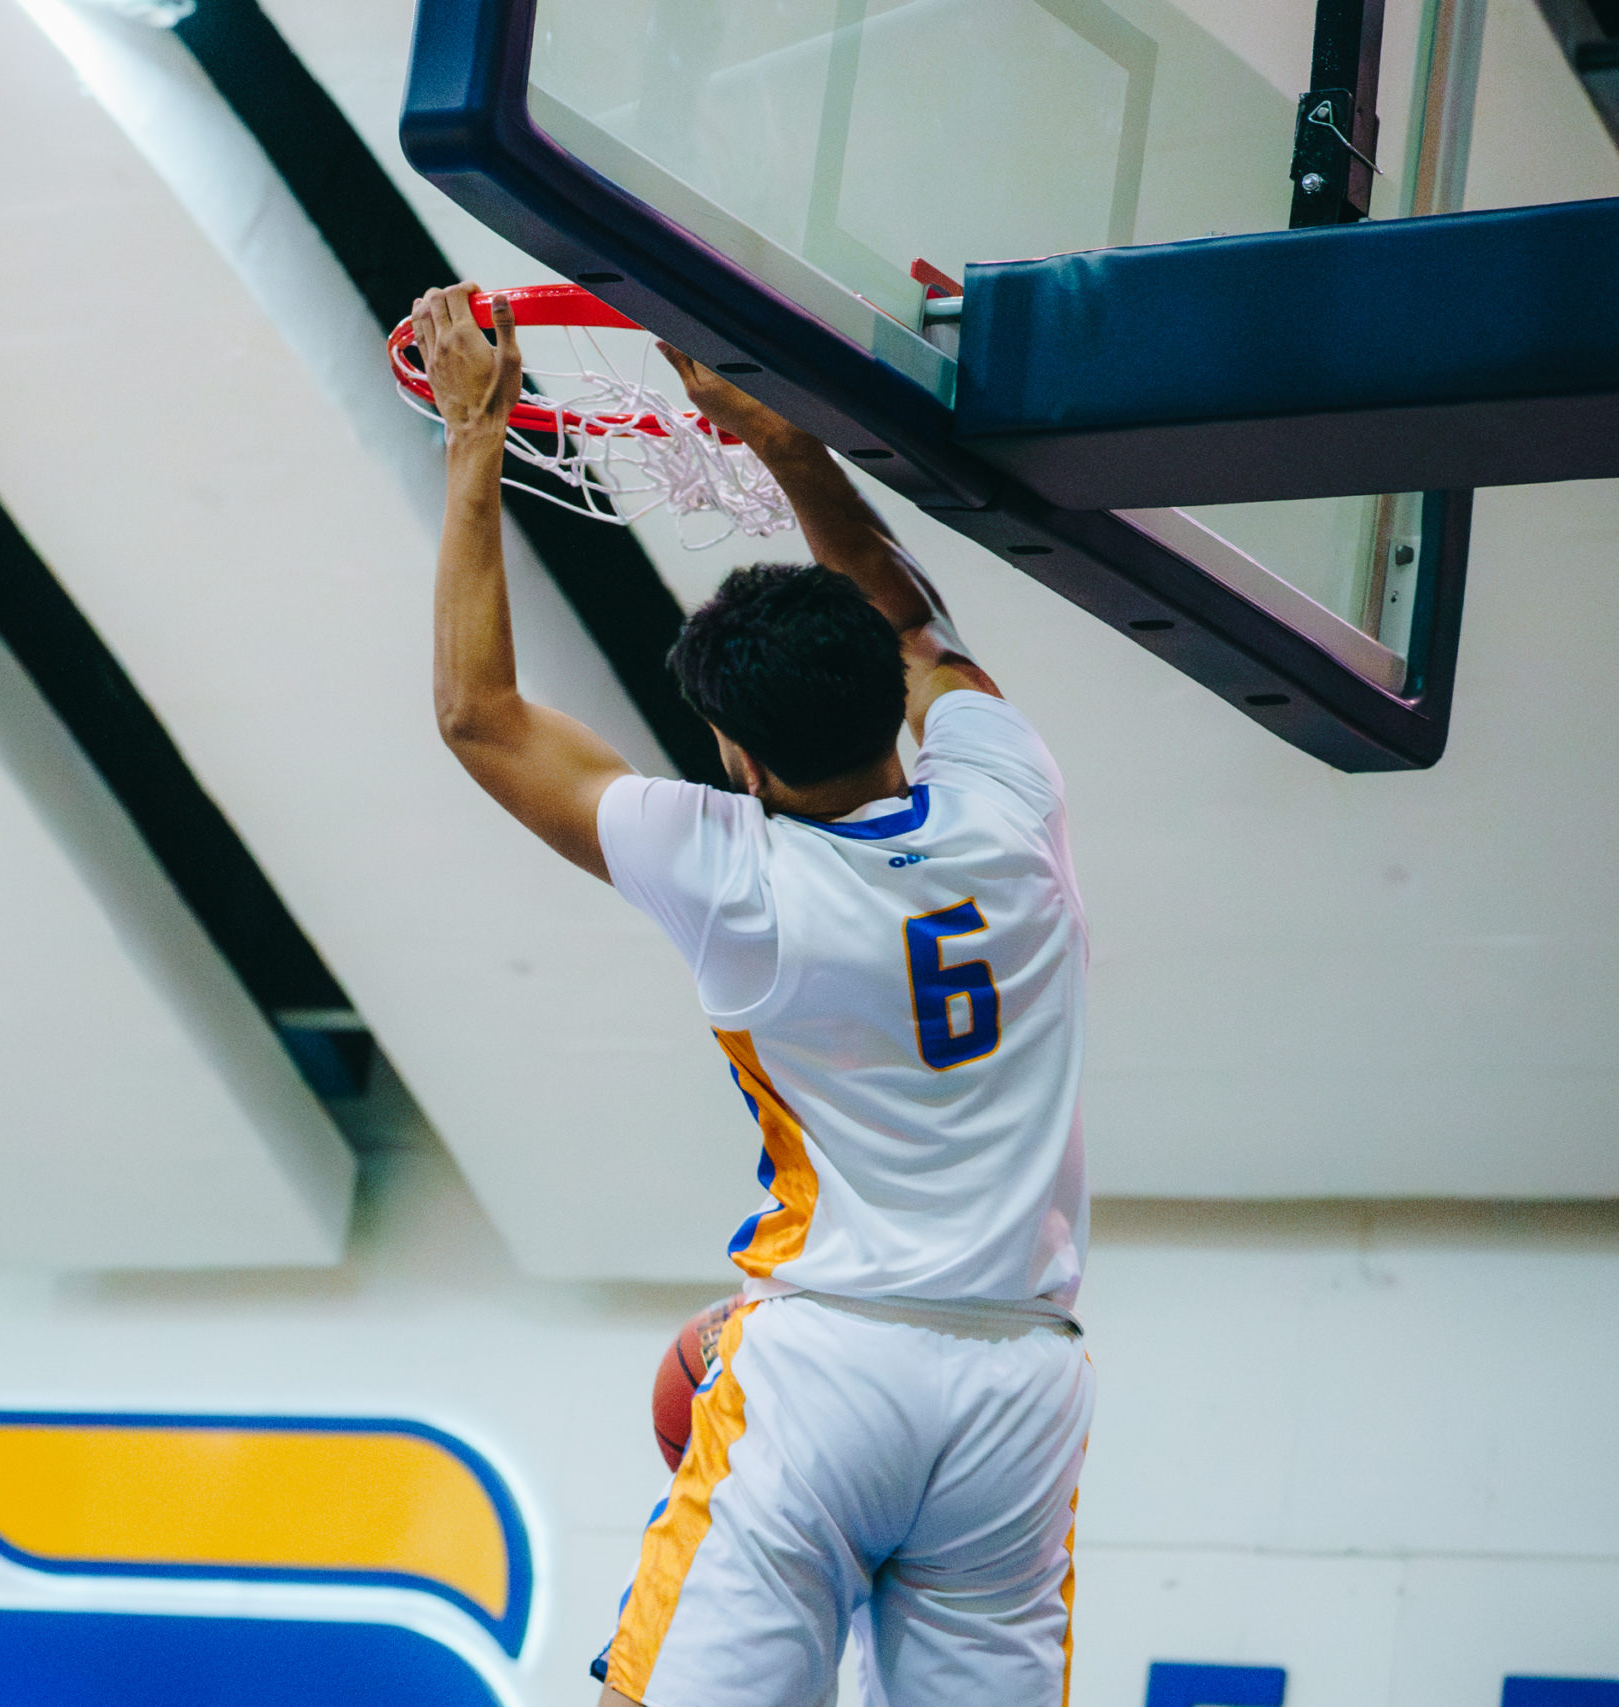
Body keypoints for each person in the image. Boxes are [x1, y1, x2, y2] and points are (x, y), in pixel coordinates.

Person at [413, 281, 1092, 1707]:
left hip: (836, 1365)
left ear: (742, 763)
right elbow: (913, 623)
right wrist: (790, 451)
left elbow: (481, 715)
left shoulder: (740, 879)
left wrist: (478, 437)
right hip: (1024, 1382)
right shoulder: (1009, 803)